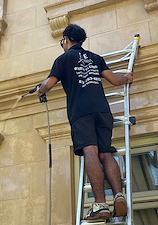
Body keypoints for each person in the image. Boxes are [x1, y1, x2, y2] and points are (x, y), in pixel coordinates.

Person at [36, 24, 132, 222]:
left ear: (66, 39)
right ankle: (118, 195)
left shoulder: (63, 59)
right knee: (105, 153)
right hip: (103, 111)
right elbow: (114, 80)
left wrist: (39, 90)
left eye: (62, 41)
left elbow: (48, 84)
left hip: (81, 113)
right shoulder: (96, 58)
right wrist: (126, 78)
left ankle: (100, 204)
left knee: (90, 152)